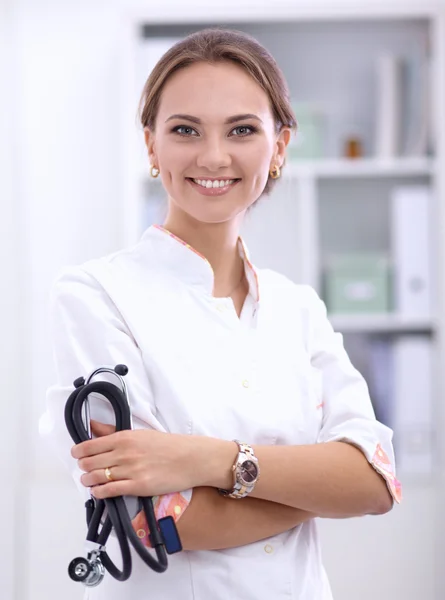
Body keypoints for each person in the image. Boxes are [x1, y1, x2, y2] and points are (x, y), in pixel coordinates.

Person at [39, 27, 402, 600]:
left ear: (279, 147)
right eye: (185, 130)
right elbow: (159, 525)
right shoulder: (93, 294)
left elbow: (375, 485)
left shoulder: (298, 308)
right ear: (152, 146)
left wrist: (208, 460)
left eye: (242, 130)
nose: (213, 156)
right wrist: (316, 489)